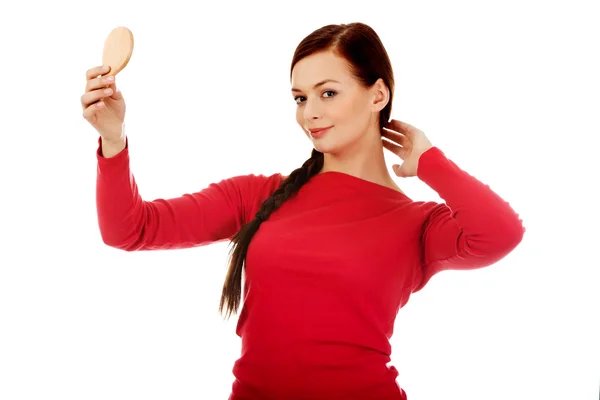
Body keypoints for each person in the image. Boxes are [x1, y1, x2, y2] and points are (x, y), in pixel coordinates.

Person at [81, 22, 525, 400]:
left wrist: (430, 163)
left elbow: (500, 234)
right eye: (299, 98)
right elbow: (129, 229)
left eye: (327, 93)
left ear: (378, 95)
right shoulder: (258, 196)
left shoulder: (419, 224)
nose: (309, 114)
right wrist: (113, 139)